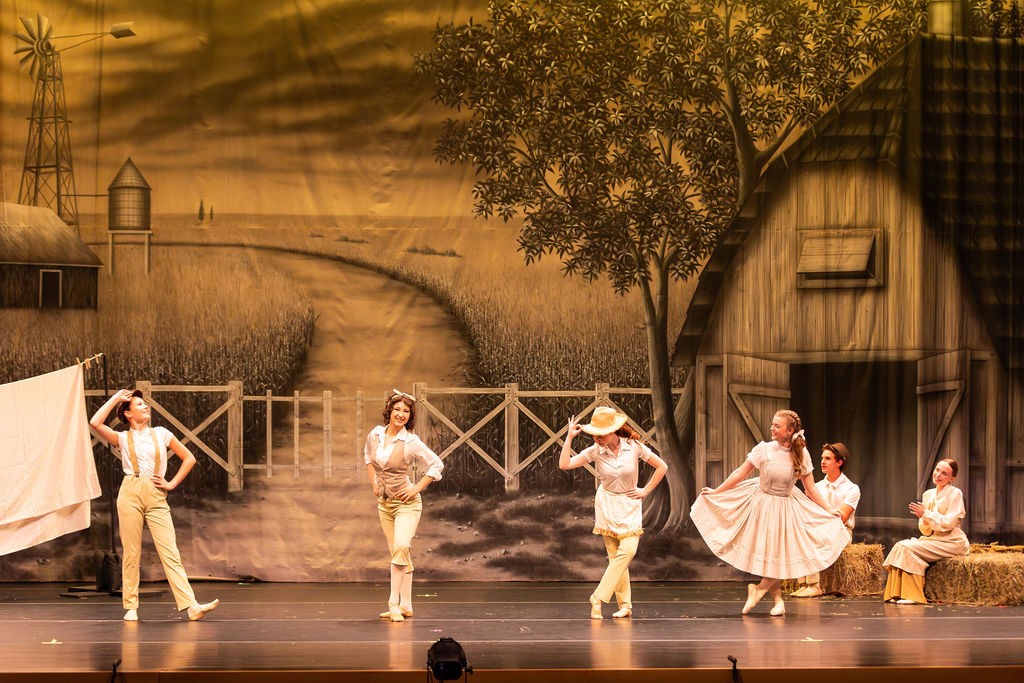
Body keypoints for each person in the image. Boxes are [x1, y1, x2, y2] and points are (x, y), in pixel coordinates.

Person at [690, 409, 850, 616]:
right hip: (762, 503)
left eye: (777, 425)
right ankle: (777, 600)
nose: (772, 428)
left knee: (779, 554)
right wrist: (717, 491)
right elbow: (740, 472)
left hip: (786, 506)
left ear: (789, 430)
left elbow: (810, 488)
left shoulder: (801, 454)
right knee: (769, 555)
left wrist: (829, 509)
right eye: (772, 424)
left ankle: (759, 589)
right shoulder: (764, 449)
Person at [89, 389, 220, 621]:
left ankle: (190, 606)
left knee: (170, 551)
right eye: (139, 405)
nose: (145, 407)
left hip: (156, 494)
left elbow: (189, 458)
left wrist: (171, 484)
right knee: (132, 551)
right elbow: (95, 422)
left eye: (144, 404)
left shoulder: (161, 433)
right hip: (131, 491)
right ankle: (131, 606)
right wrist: (116, 399)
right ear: (128, 414)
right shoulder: (122, 437)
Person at [559, 406, 669, 619]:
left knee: (627, 552)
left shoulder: (633, 447)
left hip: (629, 504)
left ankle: (598, 597)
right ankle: (625, 605)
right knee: (615, 557)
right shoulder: (595, 451)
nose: (597, 439)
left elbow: (662, 466)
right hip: (607, 504)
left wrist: (645, 490)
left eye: (601, 435)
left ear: (613, 431)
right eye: (595, 435)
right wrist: (569, 438)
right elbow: (565, 464)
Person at [364, 389, 444, 622]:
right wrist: (374, 484)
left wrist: (416, 488)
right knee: (399, 551)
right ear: (389, 411)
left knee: (401, 545)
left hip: (406, 504)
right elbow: (368, 458)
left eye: (406, 411)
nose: (401, 414)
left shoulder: (410, 442)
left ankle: (393, 603)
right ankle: (407, 604)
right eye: (397, 410)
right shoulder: (376, 435)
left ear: (410, 416)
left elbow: (436, 464)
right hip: (385, 504)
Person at [882, 458, 969, 604]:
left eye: (944, 473)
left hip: (951, 541)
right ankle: (898, 593)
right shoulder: (928, 494)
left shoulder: (955, 494)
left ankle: (913, 596)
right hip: (934, 539)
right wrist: (923, 518)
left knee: (905, 547)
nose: (938, 474)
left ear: (951, 478)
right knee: (901, 547)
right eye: (937, 470)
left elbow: (948, 523)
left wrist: (926, 514)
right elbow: (925, 531)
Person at [791, 442, 861, 597]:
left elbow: (841, 518)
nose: (822, 462)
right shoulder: (816, 487)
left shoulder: (851, 489)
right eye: (822, 458)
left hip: (842, 532)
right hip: (819, 526)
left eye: (828, 458)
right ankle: (803, 584)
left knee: (813, 536)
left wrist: (818, 508)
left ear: (839, 462)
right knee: (799, 534)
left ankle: (814, 585)